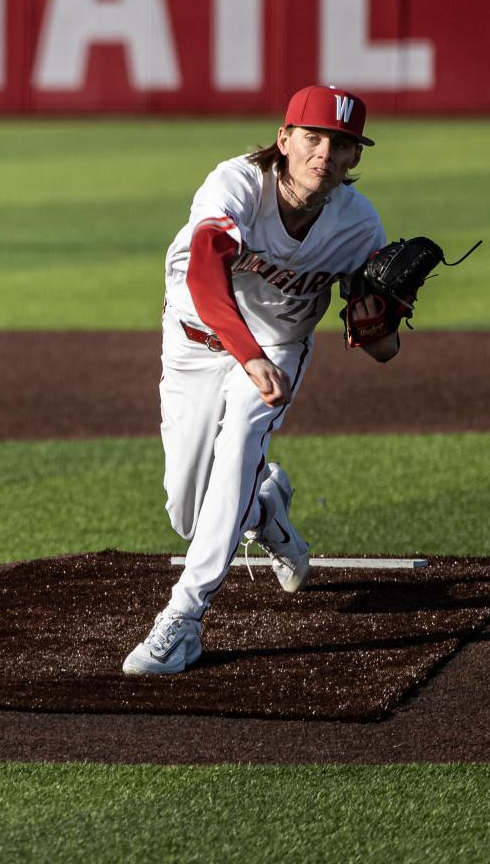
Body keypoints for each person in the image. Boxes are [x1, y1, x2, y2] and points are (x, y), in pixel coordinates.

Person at [123, 84, 400, 676]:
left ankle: (184, 619)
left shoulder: (359, 227)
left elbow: (383, 350)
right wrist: (246, 355)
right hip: (199, 341)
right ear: (285, 140)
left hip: (278, 346)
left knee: (241, 446)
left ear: (355, 158)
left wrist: (377, 326)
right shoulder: (236, 185)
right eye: (313, 137)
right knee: (188, 514)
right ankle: (267, 509)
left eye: (342, 144)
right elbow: (204, 274)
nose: (325, 153)